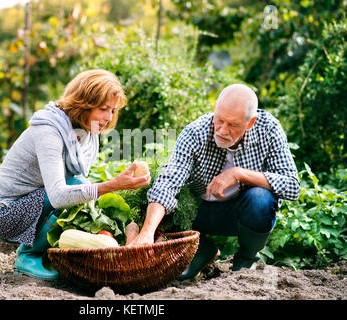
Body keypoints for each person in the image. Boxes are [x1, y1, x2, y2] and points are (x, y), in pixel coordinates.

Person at [0, 69, 151, 280]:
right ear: (84, 104)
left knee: (82, 189)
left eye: (113, 111)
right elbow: (59, 196)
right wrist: (113, 185)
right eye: (103, 109)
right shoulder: (49, 131)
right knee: (78, 186)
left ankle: (45, 251)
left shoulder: (87, 131)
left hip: (35, 200)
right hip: (6, 211)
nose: (108, 118)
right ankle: (28, 254)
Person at [128, 84, 300, 278]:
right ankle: (201, 249)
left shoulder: (268, 129)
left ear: (250, 123)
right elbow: (168, 182)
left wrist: (238, 173)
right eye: (219, 119)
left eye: (232, 125)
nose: (222, 130)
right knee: (163, 203)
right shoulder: (195, 133)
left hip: (241, 213)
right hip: (198, 212)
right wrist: (147, 232)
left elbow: (292, 185)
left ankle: (246, 258)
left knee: (261, 198)